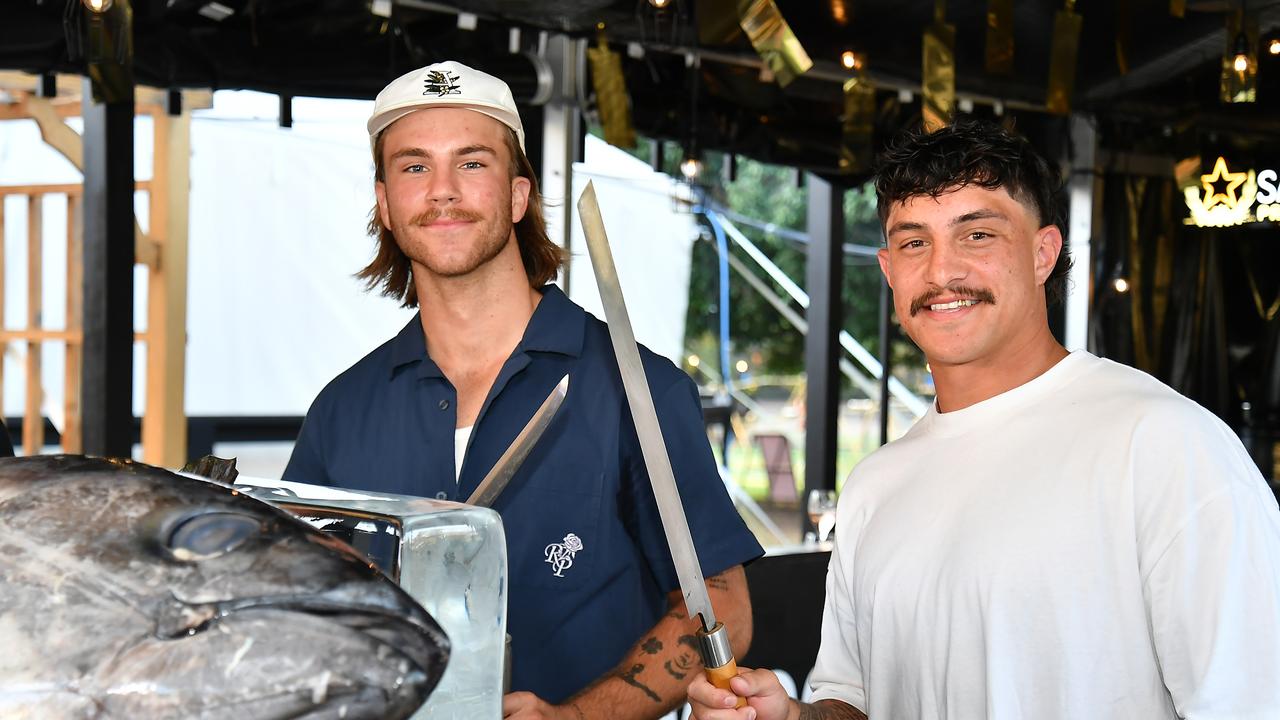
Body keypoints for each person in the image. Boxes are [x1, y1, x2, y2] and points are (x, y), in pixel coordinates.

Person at [688, 119, 1280, 720]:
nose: (943, 273)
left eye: (977, 235)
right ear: (889, 269)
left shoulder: (1165, 446)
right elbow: (856, 699)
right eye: (915, 242)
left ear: (1043, 253)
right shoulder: (876, 484)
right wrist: (791, 718)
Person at [283, 61, 763, 719]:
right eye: (415, 166)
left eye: (472, 163)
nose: (443, 190)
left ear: (516, 196)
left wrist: (573, 718)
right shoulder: (342, 412)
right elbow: (298, 611)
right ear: (385, 204)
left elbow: (722, 611)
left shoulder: (635, 388)